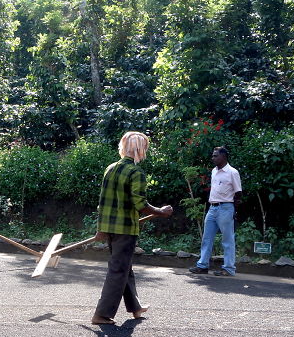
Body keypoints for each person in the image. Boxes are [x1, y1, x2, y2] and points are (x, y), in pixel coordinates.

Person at [91, 132, 174, 325]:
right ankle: (101, 315)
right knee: (118, 270)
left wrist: (101, 228)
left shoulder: (111, 168)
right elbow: (140, 204)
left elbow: (103, 202)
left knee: (124, 267)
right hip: (125, 229)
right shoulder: (136, 173)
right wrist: (161, 211)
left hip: (110, 228)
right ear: (140, 150)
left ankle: (135, 307)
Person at [189, 146, 242, 277]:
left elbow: (238, 193)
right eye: (213, 155)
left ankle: (229, 268)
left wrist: (232, 210)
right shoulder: (214, 171)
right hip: (212, 208)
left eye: (215, 156)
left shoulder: (232, 172)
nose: (213, 158)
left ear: (223, 157)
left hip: (226, 207)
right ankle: (202, 266)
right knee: (207, 238)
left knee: (227, 239)